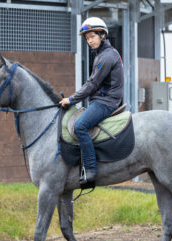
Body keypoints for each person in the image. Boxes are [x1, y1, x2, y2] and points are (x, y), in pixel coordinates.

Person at [59, 17, 124, 185]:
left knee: (80, 126)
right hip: (101, 100)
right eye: (87, 38)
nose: (89, 41)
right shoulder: (101, 55)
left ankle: (90, 169)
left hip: (106, 102)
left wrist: (71, 99)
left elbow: (92, 84)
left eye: (92, 36)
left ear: (102, 35)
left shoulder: (106, 56)